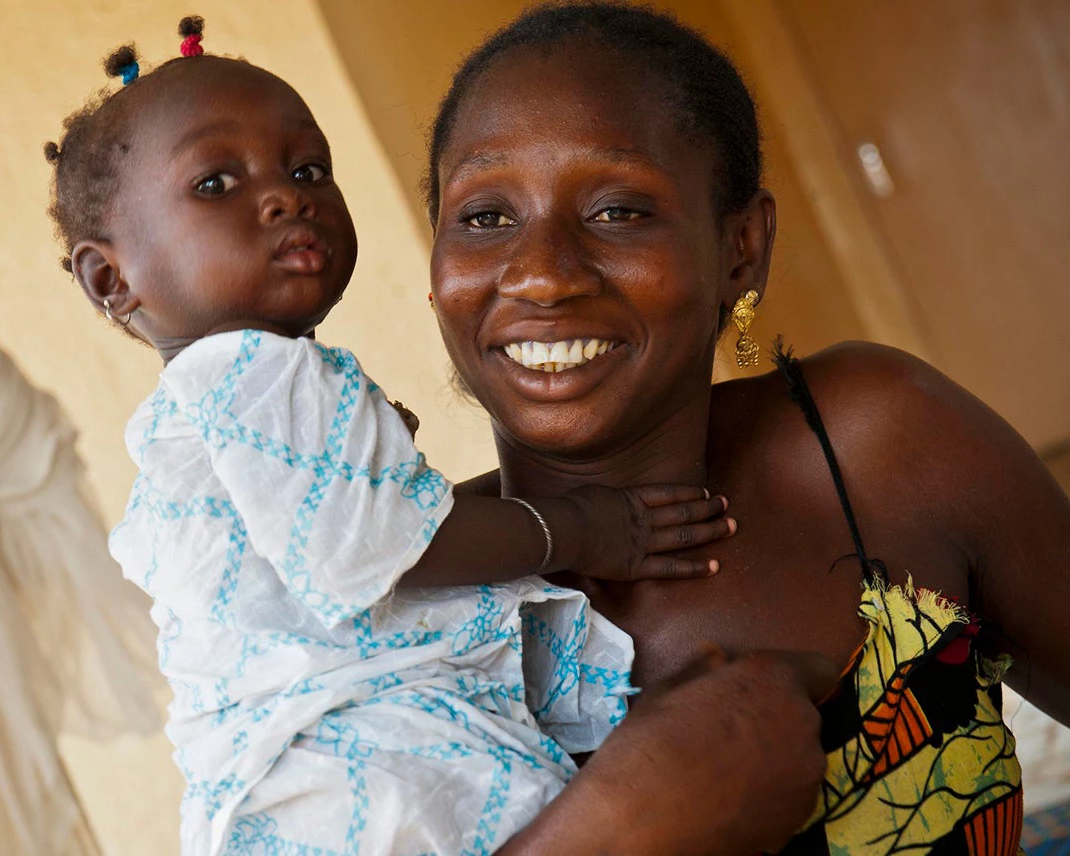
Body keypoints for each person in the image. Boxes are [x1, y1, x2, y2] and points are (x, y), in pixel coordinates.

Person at [42, 16, 753, 856]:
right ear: (110, 278)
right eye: (214, 185)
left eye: (308, 168)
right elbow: (379, 547)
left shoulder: (219, 404)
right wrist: (590, 529)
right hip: (359, 765)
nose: (284, 195)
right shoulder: (258, 376)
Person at [424, 3, 1070, 854]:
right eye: (484, 217)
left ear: (741, 248)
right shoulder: (394, 598)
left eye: (618, 210)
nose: (541, 274)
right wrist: (621, 824)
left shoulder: (876, 447)